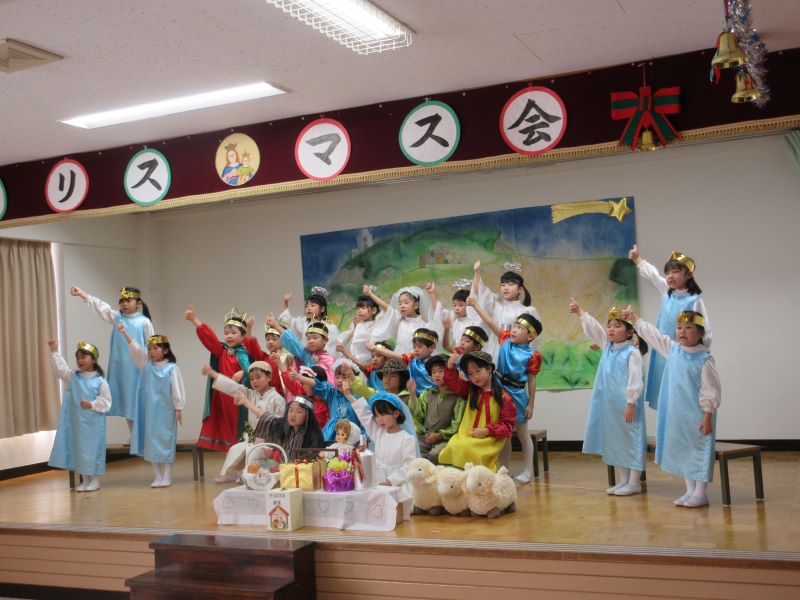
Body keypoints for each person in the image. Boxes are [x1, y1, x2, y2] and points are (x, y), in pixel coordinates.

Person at [623, 307, 721, 508]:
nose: (682, 331)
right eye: (679, 327)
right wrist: (635, 319)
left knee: (698, 450)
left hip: (698, 415)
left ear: (700, 333)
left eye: (689, 327)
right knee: (683, 450)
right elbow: (654, 336)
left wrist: (707, 415)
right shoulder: (673, 350)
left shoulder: (704, 359)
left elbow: (710, 389)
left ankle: (701, 493)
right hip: (677, 414)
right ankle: (690, 491)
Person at [569, 300, 648, 496]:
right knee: (617, 442)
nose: (611, 329)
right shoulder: (607, 347)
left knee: (632, 440)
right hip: (610, 407)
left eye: (617, 326)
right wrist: (581, 313)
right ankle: (623, 481)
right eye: (609, 325)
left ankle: (634, 483)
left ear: (629, 332)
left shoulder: (632, 353)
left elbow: (635, 379)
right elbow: (595, 329)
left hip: (627, 406)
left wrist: (631, 402)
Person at [468, 297, 542, 482]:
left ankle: (528, 471)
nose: (514, 329)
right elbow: (489, 321)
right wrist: (476, 305)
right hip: (498, 390)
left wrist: (531, 404)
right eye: (514, 326)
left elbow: (532, 380)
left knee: (523, 434)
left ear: (530, 336)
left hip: (517, 394)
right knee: (504, 434)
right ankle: (504, 469)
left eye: (520, 328)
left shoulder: (533, 355)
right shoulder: (505, 340)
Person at [628, 246, 711, 410]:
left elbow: (705, 331)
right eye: (667, 273)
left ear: (689, 274)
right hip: (663, 351)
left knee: (683, 394)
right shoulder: (667, 292)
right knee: (665, 394)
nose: (670, 276)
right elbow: (653, 275)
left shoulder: (694, 301)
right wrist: (638, 260)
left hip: (685, 356)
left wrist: (700, 354)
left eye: (675, 272)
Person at [70, 285, 154, 433]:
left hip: (137, 368)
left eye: (128, 300)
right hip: (119, 367)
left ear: (138, 303)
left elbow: (151, 345)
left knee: (137, 401)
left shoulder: (144, 322)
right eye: (122, 301)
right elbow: (101, 307)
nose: (124, 304)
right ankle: (133, 435)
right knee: (125, 401)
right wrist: (83, 294)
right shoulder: (117, 317)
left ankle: (142, 436)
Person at [119, 326, 186, 488]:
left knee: (166, 441)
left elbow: (177, 389)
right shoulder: (146, 365)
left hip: (166, 411)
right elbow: (136, 349)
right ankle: (157, 475)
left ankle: (167, 475)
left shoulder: (171, 368)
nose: (151, 351)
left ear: (165, 350)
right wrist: (125, 333)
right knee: (151, 443)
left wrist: (178, 408)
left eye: (156, 348)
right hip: (149, 411)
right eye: (149, 348)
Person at [185, 305, 257, 452]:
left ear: (243, 336)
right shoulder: (221, 350)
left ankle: (244, 462)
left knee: (242, 432)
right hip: (223, 398)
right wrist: (194, 320)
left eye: (233, 333)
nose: (229, 336)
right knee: (227, 433)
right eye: (226, 333)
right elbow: (209, 338)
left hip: (240, 398)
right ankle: (231, 461)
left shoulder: (246, 352)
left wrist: (243, 372)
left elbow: (254, 369)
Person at [47, 340, 111, 492]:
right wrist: (54, 351)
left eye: (83, 357)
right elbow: (60, 370)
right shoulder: (74, 377)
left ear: (94, 359)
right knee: (79, 449)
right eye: (78, 358)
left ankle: (94, 479)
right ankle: (85, 479)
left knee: (93, 449)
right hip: (77, 423)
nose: (80, 361)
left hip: (94, 424)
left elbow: (106, 402)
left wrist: (92, 404)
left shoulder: (100, 381)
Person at [438, 351, 515, 471]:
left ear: (489, 368)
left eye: (478, 371)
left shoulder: (504, 397)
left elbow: (508, 426)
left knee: (468, 449)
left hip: (489, 440)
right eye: (471, 374)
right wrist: (450, 366)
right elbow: (455, 384)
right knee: (454, 445)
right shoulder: (470, 390)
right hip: (466, 435)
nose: (475, 377)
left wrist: (487, 431)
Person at [218, 396, 325, 479]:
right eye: (291, 410)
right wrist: (246, 402)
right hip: (281, 470)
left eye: (299, 412)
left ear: (308, 416)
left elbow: (314, 459)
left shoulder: (314, 435)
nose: (293, 414)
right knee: (258, 468)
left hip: (303, 475)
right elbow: (266, 417)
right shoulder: (284, 426)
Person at [343, 382, 418, 488]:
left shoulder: (407, 439)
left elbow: (408, 465)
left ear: (396, 413)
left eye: (383, 414)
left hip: (398, 486)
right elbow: (364, 415)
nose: (379, 419)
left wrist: (391, 481)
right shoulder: (379, 433)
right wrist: (349, 396)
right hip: (378, 483)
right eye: (376, 415)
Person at [472, 260, 541, 359]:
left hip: (516, 355)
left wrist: (526, 357)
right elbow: (481, 291)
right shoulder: (495, 305)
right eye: (503, 285)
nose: (506, 288)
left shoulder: (527, 311)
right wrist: (477, 272)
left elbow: (534, 338)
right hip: (495, 350)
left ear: (520, 289)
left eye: (510, 284)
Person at [293, 359, 366, 443]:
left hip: (352, 439)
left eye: (344, 377)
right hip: (331, 437)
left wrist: (362, 443)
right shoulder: (332, 393)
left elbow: (364, 423)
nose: (339, 380)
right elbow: (318, 384)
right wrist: (299, 377)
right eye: (337, 377)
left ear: (353, 379)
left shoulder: (359, 397)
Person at [411, 354, 465, 464]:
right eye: (433, 372)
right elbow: (418, 415)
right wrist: (412, 393)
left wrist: (440, 435)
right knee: (414, 451)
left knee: (435, 455)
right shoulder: (427, 394)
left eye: (441, 371)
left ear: (451, 373)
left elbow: (457, 424)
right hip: (426, 436)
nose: (437, 375)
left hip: (446, 439)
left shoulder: (458, 398)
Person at [368, 283, 443, 355]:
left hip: (414, 360)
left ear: (416, 305)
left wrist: (432, 294)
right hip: (398, 357)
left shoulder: (423, 326)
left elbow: (436, 317)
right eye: (400, 303)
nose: (402, 306)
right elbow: (387, 309)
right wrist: (371, 294)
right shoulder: (399, 320)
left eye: (406, 303)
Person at [267, 313, 335, 383]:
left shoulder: (329, 360)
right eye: (308, 338)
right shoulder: (306, 355)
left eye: (315, 338)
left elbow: (331, 384)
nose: (311, 341)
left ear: (325, 340)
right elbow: (293, 342)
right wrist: (275, 325)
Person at [370, 328, 438, 392]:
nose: (416, 350)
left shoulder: (436, 363)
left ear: (431, 348)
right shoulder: (411, 360)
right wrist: (375, 348)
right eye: (414, 347)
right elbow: (395, 356)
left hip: (430, 397)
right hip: (411, 397)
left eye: (420, 346)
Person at [279, 287, 340, 356]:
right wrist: (285, 302)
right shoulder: (303, 323)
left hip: (323, 360)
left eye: (312, 305)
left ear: (322, 309)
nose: (308, 308)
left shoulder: (331, 328)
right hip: (305, 359)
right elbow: (287, 322)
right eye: (307, 306)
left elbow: (332, 350)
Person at [337, 288, 384, 364]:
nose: (359, 310)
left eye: (363, 308)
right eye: (358, 308)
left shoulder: (376, 325)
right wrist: (355, 326)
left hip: (368, 361)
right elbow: (352, 340)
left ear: (373, 310)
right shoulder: (359, 325)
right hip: (354, 359)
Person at [442, 287, 482, 353]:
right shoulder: (455, 320)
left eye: (460, 305)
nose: (456, 308)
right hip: (459, 354)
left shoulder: (475, 321)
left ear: (469, 306)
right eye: (454, 305)